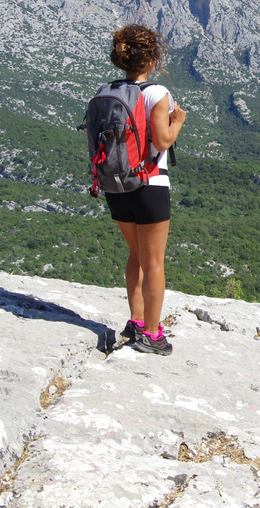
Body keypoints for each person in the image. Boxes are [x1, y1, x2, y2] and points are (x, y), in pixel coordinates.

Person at [104, 24, 186, 355]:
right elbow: (162, 140)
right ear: (152, 59)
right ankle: (151, 334)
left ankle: (136, 320)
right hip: (149, 184)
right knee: (154, 262)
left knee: (136, 255)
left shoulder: (107, 90)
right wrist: (177, 120)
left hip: (116, 185)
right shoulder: (157, 93)